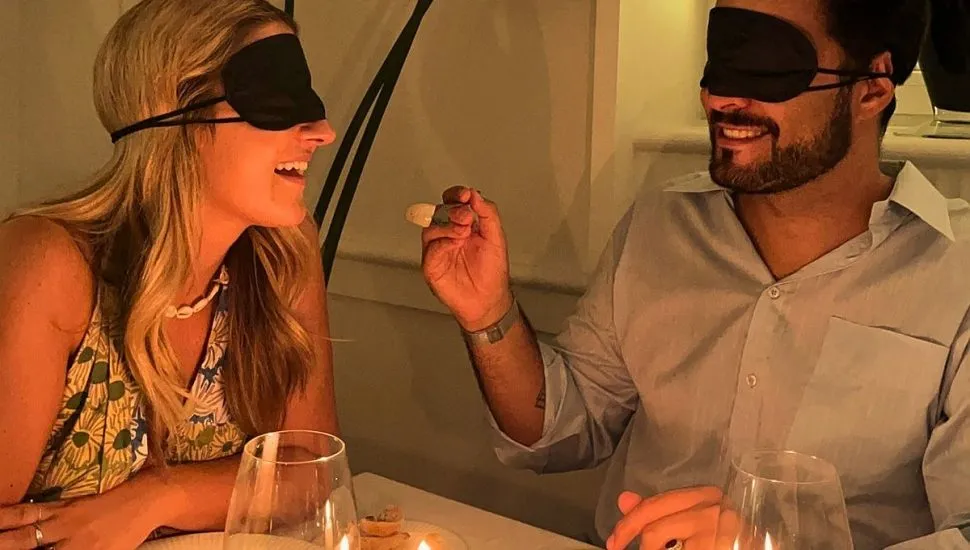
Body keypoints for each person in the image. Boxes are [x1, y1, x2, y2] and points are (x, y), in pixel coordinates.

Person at [420, 0, 970, 548]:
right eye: (720, 57)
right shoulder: (660, 227)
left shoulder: (955, 274)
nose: (721, 99)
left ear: (872, 89)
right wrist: (489, 315)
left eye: (766, 64)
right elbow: (561, 430)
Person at [0, 0, 339, 547]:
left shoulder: (282, 256)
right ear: (174, 112)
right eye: (276, 96)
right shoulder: (51, 264)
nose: (322, 131)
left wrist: (159, 497)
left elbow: (313, 471)